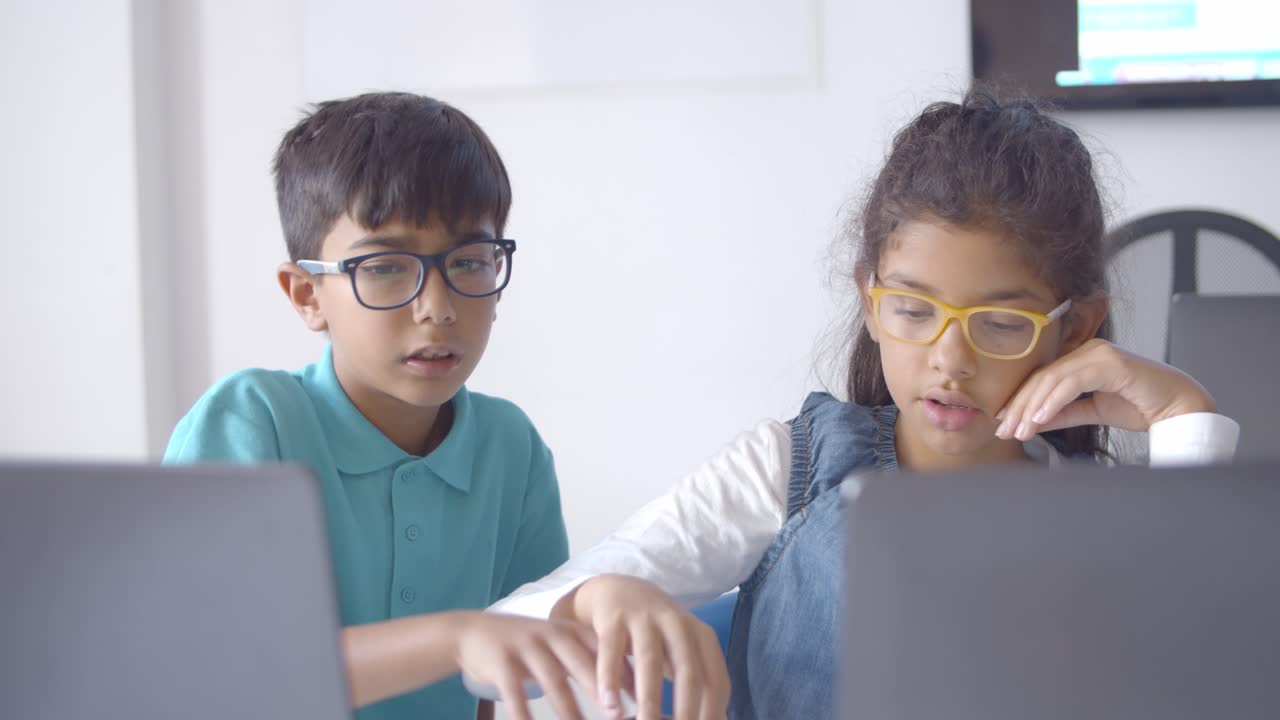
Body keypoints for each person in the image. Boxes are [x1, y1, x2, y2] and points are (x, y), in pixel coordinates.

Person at [493, 88, 1240, 720]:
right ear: (870, 300)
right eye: (913, 311)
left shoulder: (1096, 519)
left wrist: (1185, 416)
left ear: (1072, 329)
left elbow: (1213, 671)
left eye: (1000, 323)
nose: (950, 360)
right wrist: (594, 599)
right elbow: (497, 646)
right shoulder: (789, 468)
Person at [165, 92, 601, 720]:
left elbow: (501, 673)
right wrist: (454, 639)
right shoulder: (252, 422)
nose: (437, 307)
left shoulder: (511, 447)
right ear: (307, 294)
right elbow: (212, 666)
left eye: (469, 262)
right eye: (386, 266)